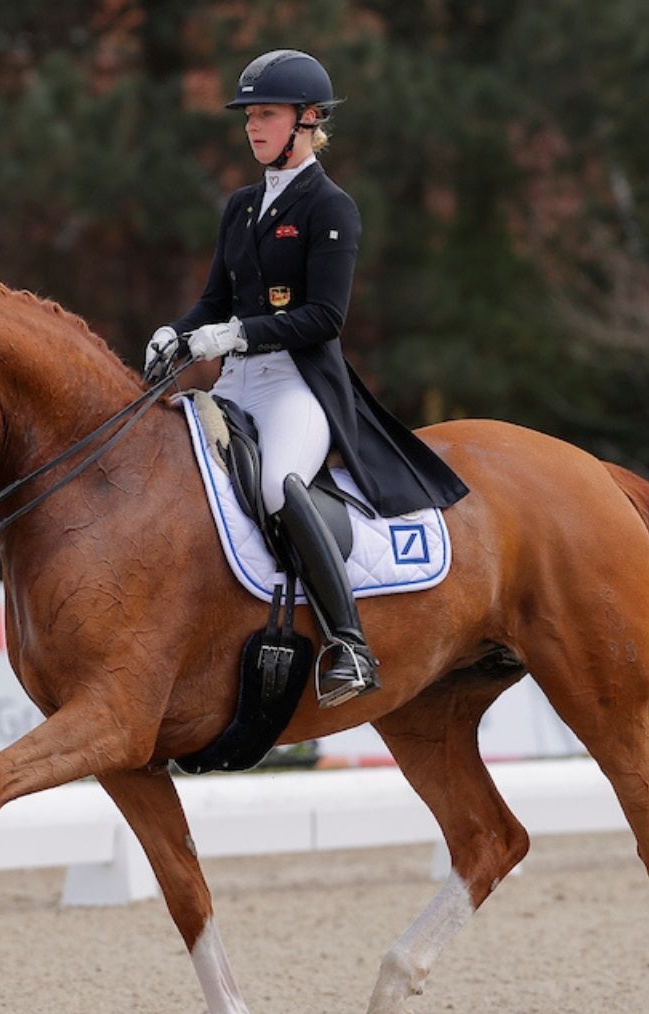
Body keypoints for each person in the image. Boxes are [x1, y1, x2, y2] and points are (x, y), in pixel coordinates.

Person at [147, 49, 470, 708]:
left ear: (308, 119)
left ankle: (348, 641)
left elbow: (325, 316)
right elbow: (214, 302)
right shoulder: (240, 207)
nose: (252, 127)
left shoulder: (331, 206)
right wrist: (175, 332)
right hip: (237, 381)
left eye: (266, 115)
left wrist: (239, 332)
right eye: (249, 117)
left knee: (275, 485)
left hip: (298, 385)